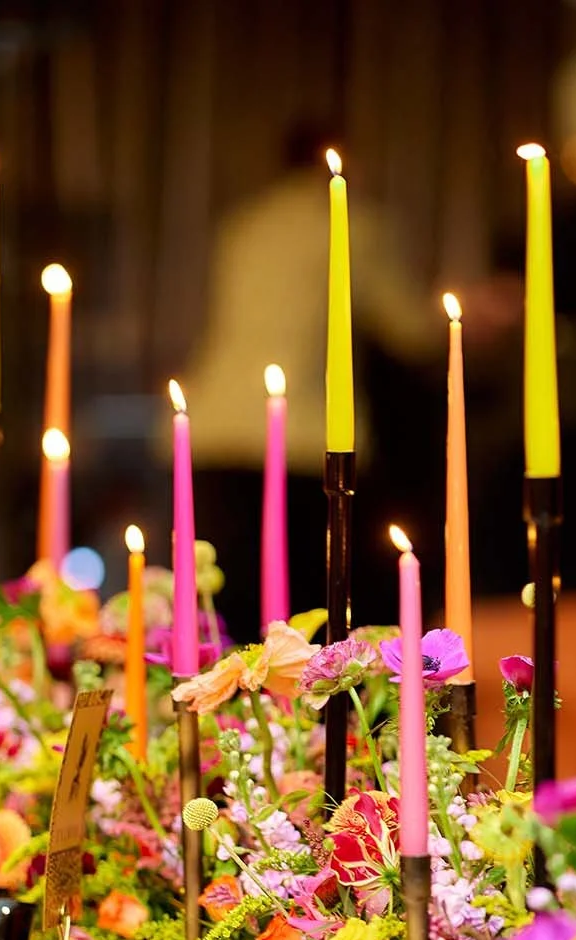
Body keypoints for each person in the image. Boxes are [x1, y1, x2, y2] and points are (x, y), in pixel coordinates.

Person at [180, 122, 448, 636]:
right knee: (310, 608)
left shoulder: (246, 223)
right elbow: (410, 329)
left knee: (232, 604)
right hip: (303, 433)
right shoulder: (351, 222)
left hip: (216, 425)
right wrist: (473, 318)